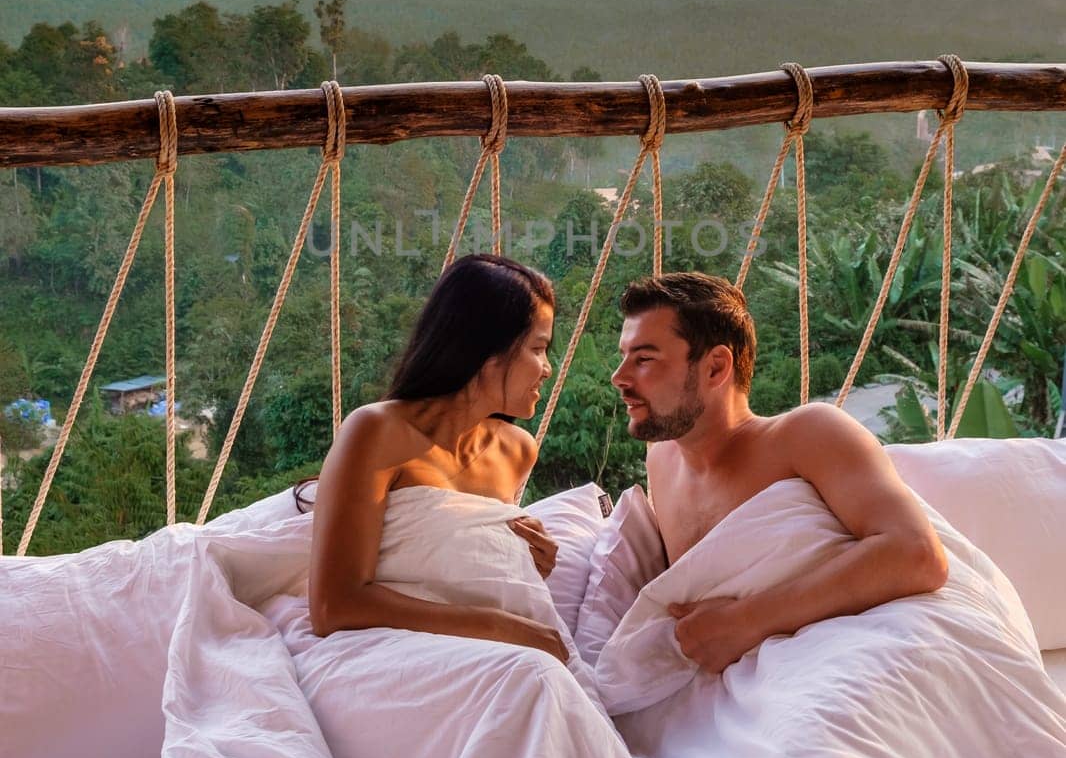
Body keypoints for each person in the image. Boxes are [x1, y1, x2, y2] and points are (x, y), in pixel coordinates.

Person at [610, 271, 949, 675]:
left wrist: (747, 621)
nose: (620, 377)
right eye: (624, 356)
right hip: (736, 686)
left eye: (644, 359)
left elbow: (918, 554)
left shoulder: (807, 434)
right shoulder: (661, 461)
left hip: (854, 660)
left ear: (715, 368)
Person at [308, 252, 568, 662]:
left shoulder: (517, 450)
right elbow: (333, 607)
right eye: (538, 349)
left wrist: (523, 562)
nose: (547, 368)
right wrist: (501, 627)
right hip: (386, 652)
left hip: (474, 651)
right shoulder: (377, 431)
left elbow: (455, 564)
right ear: (487, 349)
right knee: (532, 678)